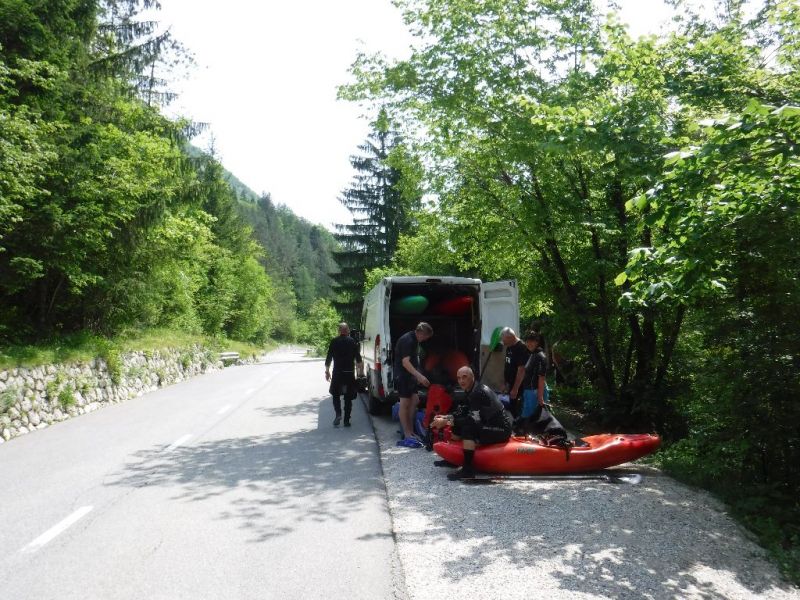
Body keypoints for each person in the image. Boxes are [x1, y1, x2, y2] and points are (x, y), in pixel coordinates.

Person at [431, 366, 512, 480]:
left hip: (501, 429)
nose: (461, 381)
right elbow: (463, 412)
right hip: (487, 423)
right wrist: (446, 417)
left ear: (472, 377)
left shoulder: (478, 392)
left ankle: (468, 470)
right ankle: (454, 460)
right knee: (458, 425)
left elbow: (473, 420)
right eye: (459, 378)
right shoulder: (471, 389)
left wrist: (446, 422)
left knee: (467, 428)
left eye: (464, 377)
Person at [394, 322, 434, 446]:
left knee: (415, 400)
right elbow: (405, 362)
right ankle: (407, 434)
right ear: (421, 333)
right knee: (404, 403)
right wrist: (419, 376)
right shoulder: (408, 340)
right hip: (403, 376)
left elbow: (414, 360)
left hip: (410, 376)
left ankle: (411, 431)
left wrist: (416, 376)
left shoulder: (415, 340)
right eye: (426, 336)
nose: (426, 339)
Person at [325, 322, 364, 427]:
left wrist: (327, 371)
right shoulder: (352, 341)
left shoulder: (334, 341)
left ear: (339, 331)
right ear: (347, 331)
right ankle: (346, 420)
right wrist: (360, 374)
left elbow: (329, 357)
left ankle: (338, 414)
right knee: (348, 397)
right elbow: (359, 359)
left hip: (337, 372)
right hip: (349, 373)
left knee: (336, 394)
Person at [499, 327, 530, 417]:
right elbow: (507, 366)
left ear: (510, 337)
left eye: (503, 340)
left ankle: (519, 424)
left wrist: (515, 389)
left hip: (520, 387)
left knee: (517, 410)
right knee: (511, 408)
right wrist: (505, 383)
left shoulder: (522, 348)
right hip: (511, 384)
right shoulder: (509, 347)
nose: (503, 342)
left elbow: (521, 370)